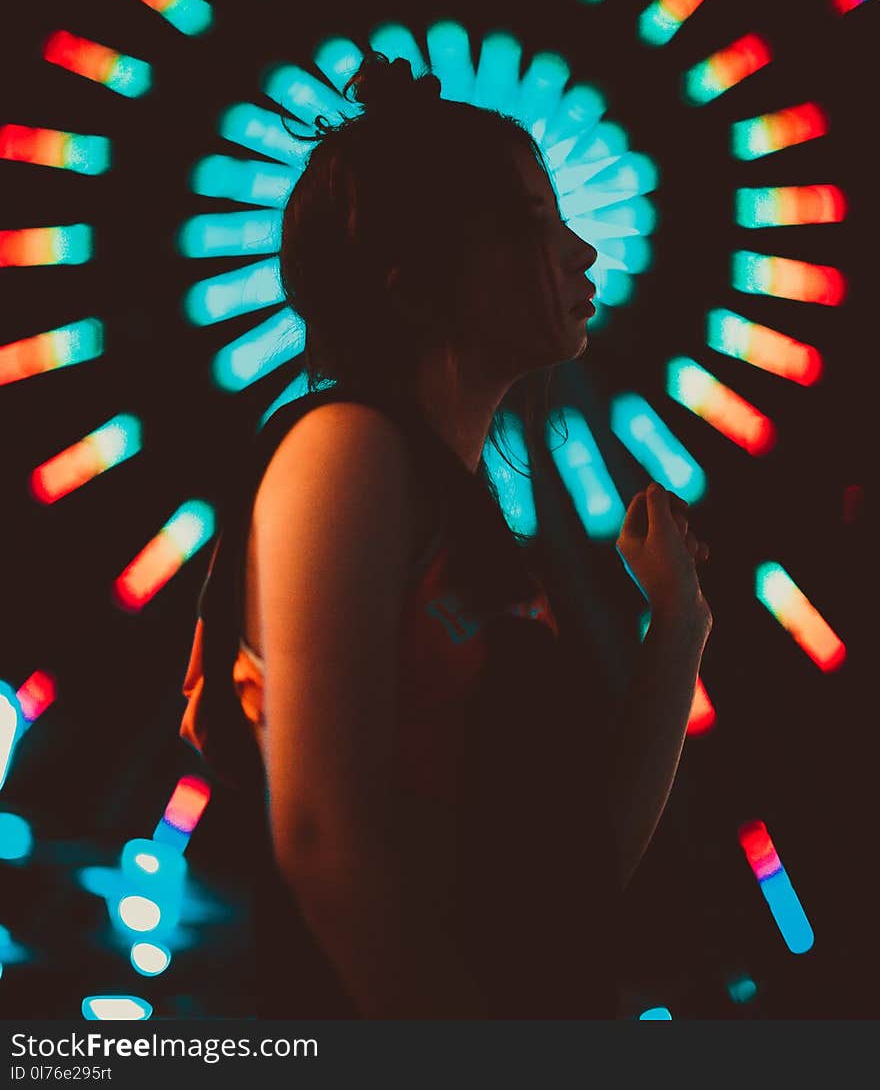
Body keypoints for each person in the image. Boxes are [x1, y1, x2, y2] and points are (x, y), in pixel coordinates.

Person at [179, 51, 712, 1019]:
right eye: (533, 224)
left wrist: (677, 627)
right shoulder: (343, 448)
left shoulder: (461, 518)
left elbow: (575, 880)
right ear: (416, 283)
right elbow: (320, 839)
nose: (580, 255)